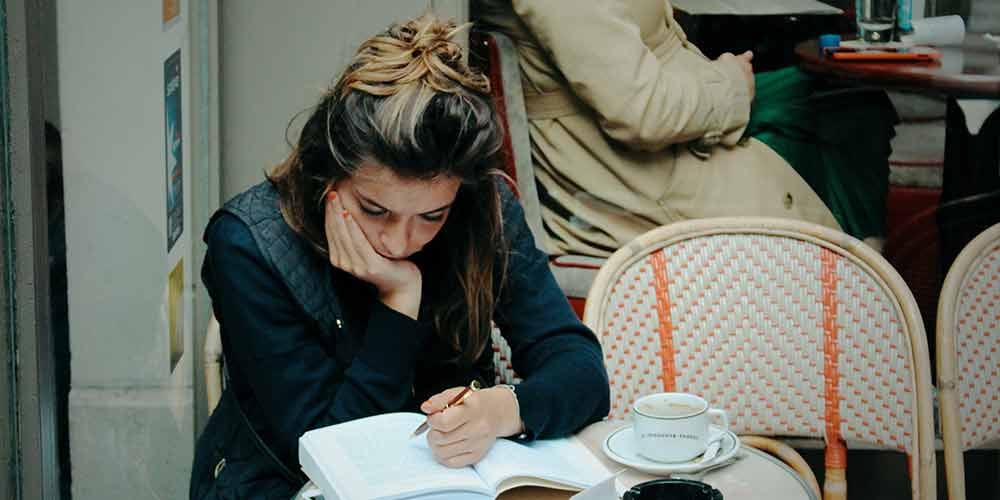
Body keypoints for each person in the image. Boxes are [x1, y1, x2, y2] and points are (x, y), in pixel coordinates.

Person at [189, 14, 610, 499]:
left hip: (454, 483)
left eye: (432, 216)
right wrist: (399, 299)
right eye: (375, 210)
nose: (400, 241)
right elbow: (326, 451)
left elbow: (580, 370)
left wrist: (503, 410)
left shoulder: (484, 210)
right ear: (330, 173)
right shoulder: (247, 245)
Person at [473, 0, 898, 257]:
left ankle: (861, 269)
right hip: (630, 169)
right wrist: (729, 87)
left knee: (848, 105)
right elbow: (639, 110)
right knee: (839, 113)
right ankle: (851, 293)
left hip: (681, 105)